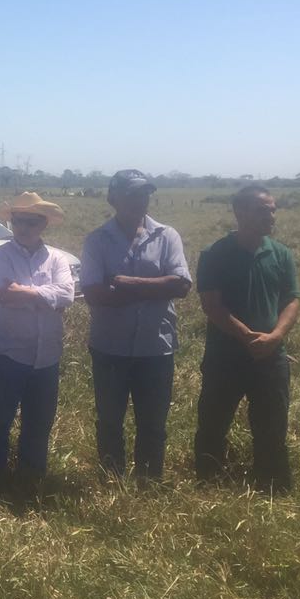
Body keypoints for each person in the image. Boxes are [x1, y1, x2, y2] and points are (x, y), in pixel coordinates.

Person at [80, 170, 191, 481]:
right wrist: (158, 287)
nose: (139, 200)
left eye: (144, 193)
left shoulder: (167, 235)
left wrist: (124, 282)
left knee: (153, 422)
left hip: (156, 347)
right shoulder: (97, 240)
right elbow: (95, 294)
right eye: (131, 194)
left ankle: (149, 482)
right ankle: (111, 480)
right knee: (110, 419)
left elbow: (181, 286)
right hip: (109, 347)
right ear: (112, 198)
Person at [193, 185, 300, 492]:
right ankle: (209, 483)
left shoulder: (281, 253)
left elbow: (292, 299)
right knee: (213, 421)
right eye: (262, 209)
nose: (271, 215)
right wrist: (248, 337)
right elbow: (211, 305)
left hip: (271, 356)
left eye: (273, 209)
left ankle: (273, 487)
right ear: (239, 212)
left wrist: (275, 337)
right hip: (225, 356)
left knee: (272, 425)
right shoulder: (216, 254)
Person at [0, 192, 76, 490]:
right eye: (19, 221)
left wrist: (28, 293)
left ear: (43, 224)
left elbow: (68, 296)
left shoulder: (58, 258)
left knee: (39, 423)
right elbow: (5, 295)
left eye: (32, 221)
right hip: (10, 352)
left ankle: (31, 480)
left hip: (47, 355)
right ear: (12, 222)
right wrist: (48, 296)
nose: (24, 227)